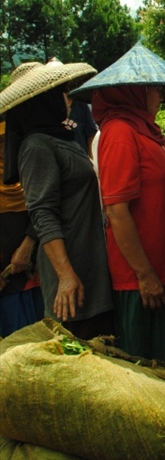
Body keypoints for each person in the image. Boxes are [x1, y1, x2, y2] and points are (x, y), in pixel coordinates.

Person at [71, 42, 165, 367]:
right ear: (134, 91)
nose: (160, 96)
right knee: (148, 365)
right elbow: (117, 210)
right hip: (141, 279)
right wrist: (145, 275)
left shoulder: (147, 132)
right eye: (154, 89)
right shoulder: (119, 133)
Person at [0, 61, 114, 339]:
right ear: (45, 102)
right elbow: (43, 213)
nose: (69, 99)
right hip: (73, 267)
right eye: (62, 93)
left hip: (88, 260)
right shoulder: (38, 146)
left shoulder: (60, 138)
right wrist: (65, 275)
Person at [0, 119, 45, 336]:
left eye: (7, 143)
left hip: (29, 271)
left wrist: (27, 245)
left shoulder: (25, 172)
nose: (5, 150)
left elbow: (42, 209)